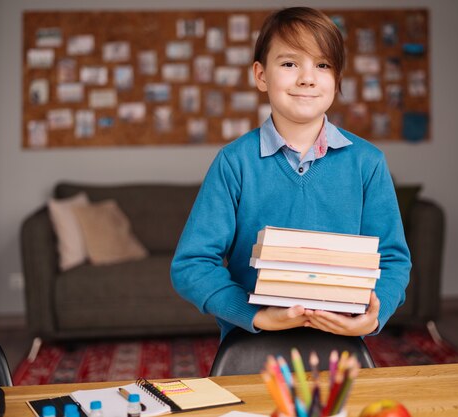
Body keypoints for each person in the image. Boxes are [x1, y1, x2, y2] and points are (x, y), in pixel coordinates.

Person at [171, 7, 411, 340]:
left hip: (341, 348)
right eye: (289, 64)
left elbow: (393, 260)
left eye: (323, 65)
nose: (307, 78)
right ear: (261, 76)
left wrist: (373, 316)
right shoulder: (234, 162)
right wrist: (256, 316)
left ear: (337, 79)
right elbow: (192, 263)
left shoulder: (367, 163)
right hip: (251, 347)